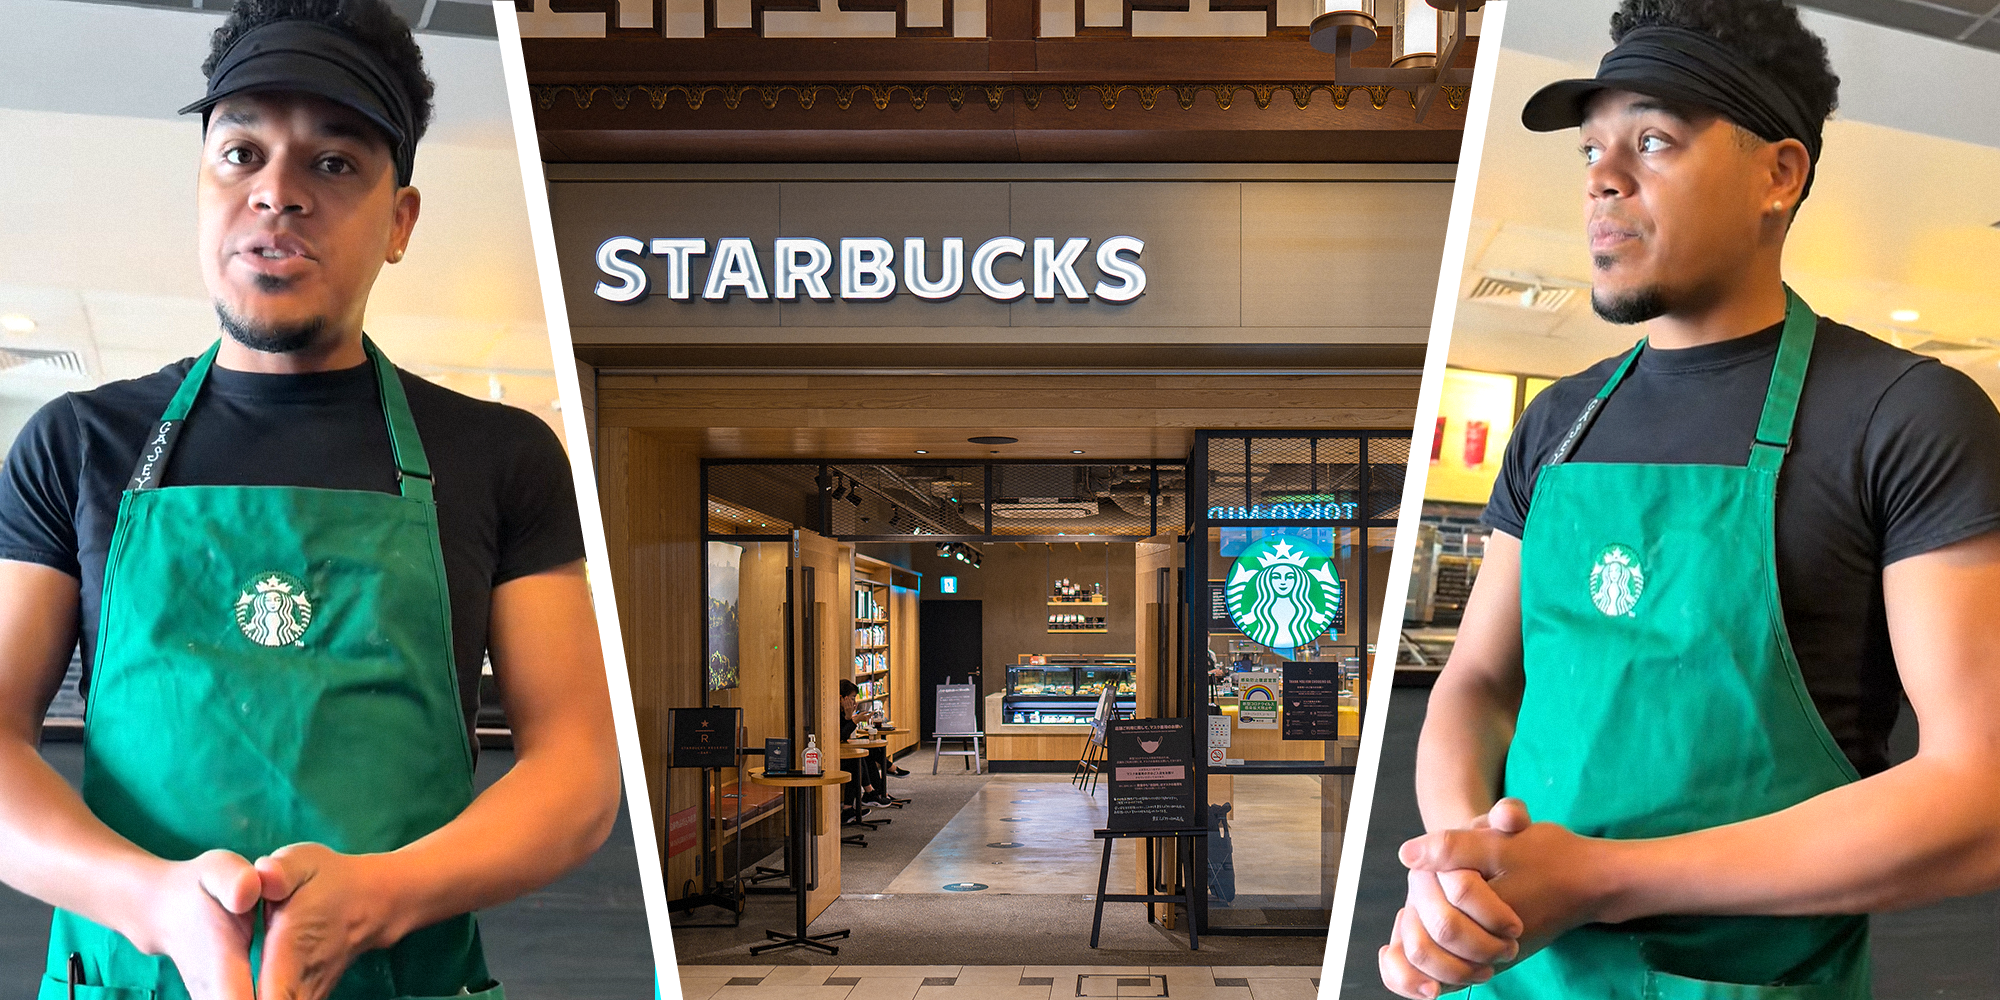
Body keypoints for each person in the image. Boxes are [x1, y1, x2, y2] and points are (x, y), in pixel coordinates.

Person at [0, 3, 622, 998]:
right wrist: (153, 902)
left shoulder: (502, 456)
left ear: (399, 222)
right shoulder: (75, 445)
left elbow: (576, 770)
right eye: (240, 153)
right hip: (125, 976)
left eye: (333, 163)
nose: (276, 192)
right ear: (202, 188)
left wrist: (380, 896)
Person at [1379, 2, 2000, 997]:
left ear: (1778, 175)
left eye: (1654, 140)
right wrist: (1459, 868)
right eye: (1590, 149)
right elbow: (1480, 680)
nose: (1601, 177)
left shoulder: (1904, 415)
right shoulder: (1555, 422)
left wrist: (1599, 878)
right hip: (1517, 969)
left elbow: (1980, 796)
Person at [839, 680, 895, 807]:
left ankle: (875, 791)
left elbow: (843, 735)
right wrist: (853, 720)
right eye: (852, 698)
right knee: (857, 759)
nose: (854, 702)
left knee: (866, 753)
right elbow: (841, 736)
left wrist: (849, 718)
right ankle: (873, 789)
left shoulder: (842, 711)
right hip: (834, 757)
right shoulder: (834, 712)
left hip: (841, 751)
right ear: (842, 698)